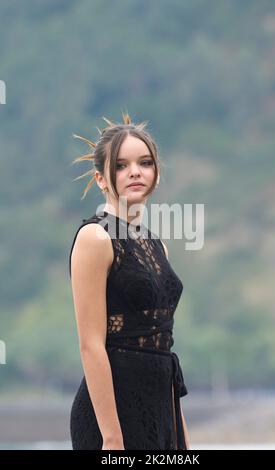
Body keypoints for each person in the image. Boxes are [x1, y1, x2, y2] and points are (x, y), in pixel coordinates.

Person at [68, 111, 190, 450]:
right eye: (121, 165)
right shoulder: (95, 238)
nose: (135, 171)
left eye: (144, 162)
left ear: (156, 173)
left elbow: (163, 347)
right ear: (101, 179)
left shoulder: (157, 244)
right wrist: (111, 438)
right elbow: (91, 344)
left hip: (161, 409)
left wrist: (181, 436)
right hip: (112, 420)